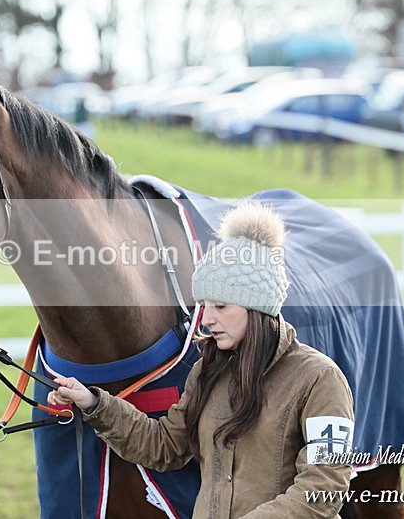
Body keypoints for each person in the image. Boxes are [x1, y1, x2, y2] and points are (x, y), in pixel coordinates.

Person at [50, 202, 355, 518]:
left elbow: (324, 487)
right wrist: (93, 403)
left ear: (258, 307)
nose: (205, 319)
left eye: (220, 306)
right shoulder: (208, 372)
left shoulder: (319, 379)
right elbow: (165, 446)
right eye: (203, 305)